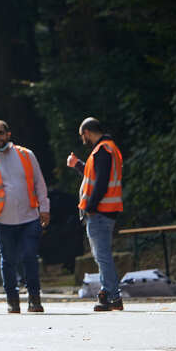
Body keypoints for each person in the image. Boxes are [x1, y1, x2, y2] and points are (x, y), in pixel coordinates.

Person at [0, 119, 51, 313]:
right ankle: (12, 300)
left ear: (9, 134)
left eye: (1, 132)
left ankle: (34, 298)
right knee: (8, 260)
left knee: (29, 256)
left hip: (29, 217)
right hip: (2, 220)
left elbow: (39, 184)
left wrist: (45, 208)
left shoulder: (27, 155)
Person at [67, 117, 124, 311]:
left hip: (100, 212)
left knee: (102, 256)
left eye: (82, 135)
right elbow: (94, 176)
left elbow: (100, 183)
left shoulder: (102, 151)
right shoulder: (106, 149)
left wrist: (90, 207)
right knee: (102, 255)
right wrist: (77, 164)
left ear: (87, 133)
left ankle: (110, 295)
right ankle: (112, 295)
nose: (83, 139)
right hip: (106, 210)